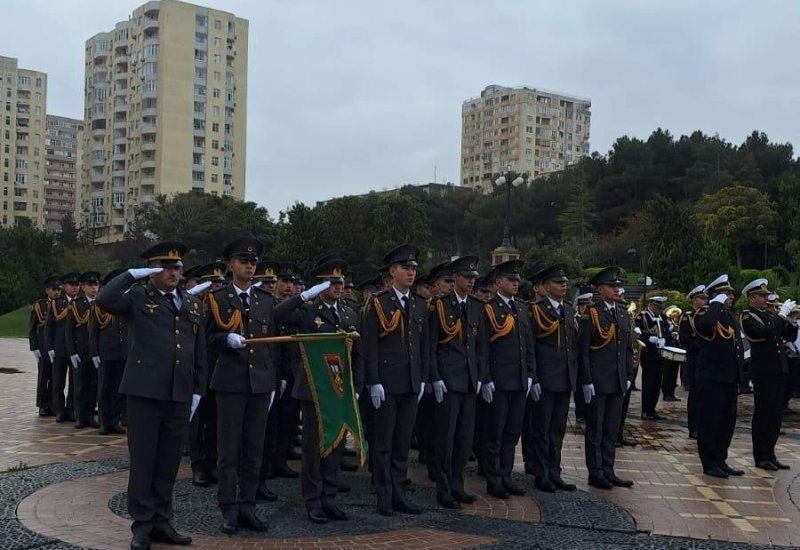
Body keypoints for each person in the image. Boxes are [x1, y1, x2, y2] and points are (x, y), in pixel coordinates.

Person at [96, 242, 206, 550]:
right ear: (152, 270)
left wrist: (198, 390)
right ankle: (142, 524)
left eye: (177, 267)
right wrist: (130, 274)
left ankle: (162, 520)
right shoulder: (136, 297)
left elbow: (199, 351)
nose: (173, 272)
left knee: (169, 461)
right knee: (144, 461)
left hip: (179, 393)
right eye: (165, 266)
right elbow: (104, 300)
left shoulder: (191, 303)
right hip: (145, 392)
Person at [274, 256, 364, 523]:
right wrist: (303, 297)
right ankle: (313, 500)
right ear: (320, 285)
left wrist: (356, 386)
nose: (338, 287)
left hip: (339, 390)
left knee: (335, 445)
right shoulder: (307, 310)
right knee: (314, 448)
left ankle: (330, 497)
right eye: (332, 282)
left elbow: (358, 353)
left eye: (341, 282)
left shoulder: (348, 311)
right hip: (313, 388)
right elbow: (276, 315)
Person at [205, 237, 278, 534]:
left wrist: (271, 381)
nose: (250, 266)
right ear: (231, 265)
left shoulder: (265, 300)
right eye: (244, 262)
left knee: (253, 450)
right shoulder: (217, 299)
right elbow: (207, 338)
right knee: (229, 450)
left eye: (253, 263)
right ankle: (228, 509)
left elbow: (271, 345)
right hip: (231, 383)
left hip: (259, 383)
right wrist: (226, 339)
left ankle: (248, 505)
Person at [363, 244, 428, 516]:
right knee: (383, 443)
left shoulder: (419, 304)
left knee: (402, 443)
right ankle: (384, 495)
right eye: (405, 268)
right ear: (392, 271)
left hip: (411, 383)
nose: (411, 273)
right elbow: (369, 345)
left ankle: (399, 493)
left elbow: (423, 344)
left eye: (413, 268)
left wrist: (423, 377)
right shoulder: (378, 302)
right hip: (387, 383)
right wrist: (373, 380)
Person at [428, 255, 487, 509]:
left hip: (470, 381)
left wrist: (482, 377)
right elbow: (430, 346)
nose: (472, 282)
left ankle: (457, 484)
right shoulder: (439, 305)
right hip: (448, 379)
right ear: (455, 279)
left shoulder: (475, 306)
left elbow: (480, 346)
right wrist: (435, 377)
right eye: (467, 277)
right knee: (445, 438)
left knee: (464, 438)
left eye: (474, 278)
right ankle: (443, 488)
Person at [481, 259, 534, 499]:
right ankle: (494, 479)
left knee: (512, 433)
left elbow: (528, 345)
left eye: (517, 280)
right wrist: (487, 378)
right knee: (495, 433)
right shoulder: (489, 308)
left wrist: (531, 374)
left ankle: (506, 475)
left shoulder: (521, 308)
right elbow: (483, 347)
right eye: (510, 280)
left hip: (519, 380)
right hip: (500, 380)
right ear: (498, 281)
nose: (515, 284)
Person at [578, 266, 634, 490]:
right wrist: (587, 380)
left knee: (612, 428)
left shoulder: (621, 312)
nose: (617, 289)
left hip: (617, 379)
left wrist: (628, 374)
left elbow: (627, 347)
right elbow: (583, 351)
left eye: (618, 286)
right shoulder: (591, 313)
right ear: (601, 289)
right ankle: (596, 471)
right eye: (612, 286)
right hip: (599, 379)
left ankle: (609, 469)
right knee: (596, 429)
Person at [526, 264, 579, 493]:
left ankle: (554, 471)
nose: (563, 286)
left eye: (564, 282)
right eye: (558, 283)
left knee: (557, 429)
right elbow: (531, 346)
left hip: (564, 378)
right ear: (546, 287)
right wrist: (534, 378)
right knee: (541, 429)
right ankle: (541, 473)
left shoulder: (567, 310)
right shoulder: (536, 310)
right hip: (545, 378)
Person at [739, 278, 798, 471]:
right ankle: (761, 455)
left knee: (775, 415)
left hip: (779, 369)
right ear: (751, 298)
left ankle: (770, 453)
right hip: (764, 372)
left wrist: (790, 320)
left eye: (766, 295)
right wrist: (780, 316)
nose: (767, 299)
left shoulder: (768, 315)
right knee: (764, 414)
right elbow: (765, 332)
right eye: (762, 296)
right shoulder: (748, 317)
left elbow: (789, 336)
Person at [692, 274, 745, 478]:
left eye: (730, 293)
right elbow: (704, 327)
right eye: (725, 293)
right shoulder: (704, 313)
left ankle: (720, 458)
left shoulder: (728, 315)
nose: (730, 296)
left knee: (726, 421)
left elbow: (736, 346)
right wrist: (714, 304)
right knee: (709, 421)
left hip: (729, 376)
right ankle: (709, 462)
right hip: (711, 376)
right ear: (715, 296)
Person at [187, 261, 227, 487]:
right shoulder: (190, 305)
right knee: (196, 420)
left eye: (219, 283)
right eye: (210, 284)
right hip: (194, 369)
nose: (214, 288)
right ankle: (197, 464)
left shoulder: (224, 305)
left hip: (217, 368)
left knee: (214, 420)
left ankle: (212, 461)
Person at [89, 269, 128, 435]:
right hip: (106, 352)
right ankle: (104, 422)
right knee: (104, 389)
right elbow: (93, 332)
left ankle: (115, 420)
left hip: (122, 352)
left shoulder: (126, 303)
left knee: (119, 389)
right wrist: (94, 353)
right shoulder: (99, 305)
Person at [65, 271, 101, 429]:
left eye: (96, 285)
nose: (94, 288)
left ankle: (90, 415)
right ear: (83, 287)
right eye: (91, 285)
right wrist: (72, 351)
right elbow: (69, 330)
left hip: (95, 352)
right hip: (80, 351)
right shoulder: (76, 304)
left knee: (93, 385)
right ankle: (79, 416)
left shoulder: (101, 303)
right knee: (79, 385)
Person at [46, 272, 81, 423]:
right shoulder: (56, 303)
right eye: (71, 285)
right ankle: (59, 410)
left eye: (76, 285)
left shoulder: (81, 303)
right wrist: (50, 347)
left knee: (75, 383)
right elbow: (49, 327)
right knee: (58, 382)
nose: (74, 288)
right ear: (64, 286)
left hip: (76, 348)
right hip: (59, 348)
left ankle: (71, 409)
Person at [678, 285, 707, 439]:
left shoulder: (707, 315)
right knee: (695, 393)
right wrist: (702, 346)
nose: (705, 301)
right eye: (702, 298)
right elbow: (684, 339)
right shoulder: (687, 316)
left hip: (707, 359)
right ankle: (693, 427)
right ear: (695, 300)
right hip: (695, 358)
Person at [30, 276, 61, 416]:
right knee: (44, 376)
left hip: (57, 346)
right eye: (54, 289)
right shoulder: (40, 305)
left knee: (56, 377)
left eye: (58, 289)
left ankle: (53, 405)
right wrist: (34, 347)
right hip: (43, 346)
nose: (56, 292)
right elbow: (32, 328)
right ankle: (42, 405)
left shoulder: (62, 304)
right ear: (47, 290)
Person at [635, 296, 669, 420]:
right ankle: (645, 410)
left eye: (661, 308)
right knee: (648, 382)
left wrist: (666, 338)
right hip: (648, 353)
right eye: (657, 307)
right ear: (652, 305)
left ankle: (652, 409)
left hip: (660, 353)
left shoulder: (662, 317)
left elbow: (666, 331)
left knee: (656, 383)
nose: (659, 310)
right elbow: (637, 333)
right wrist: (649, 339)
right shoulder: (642, 316)